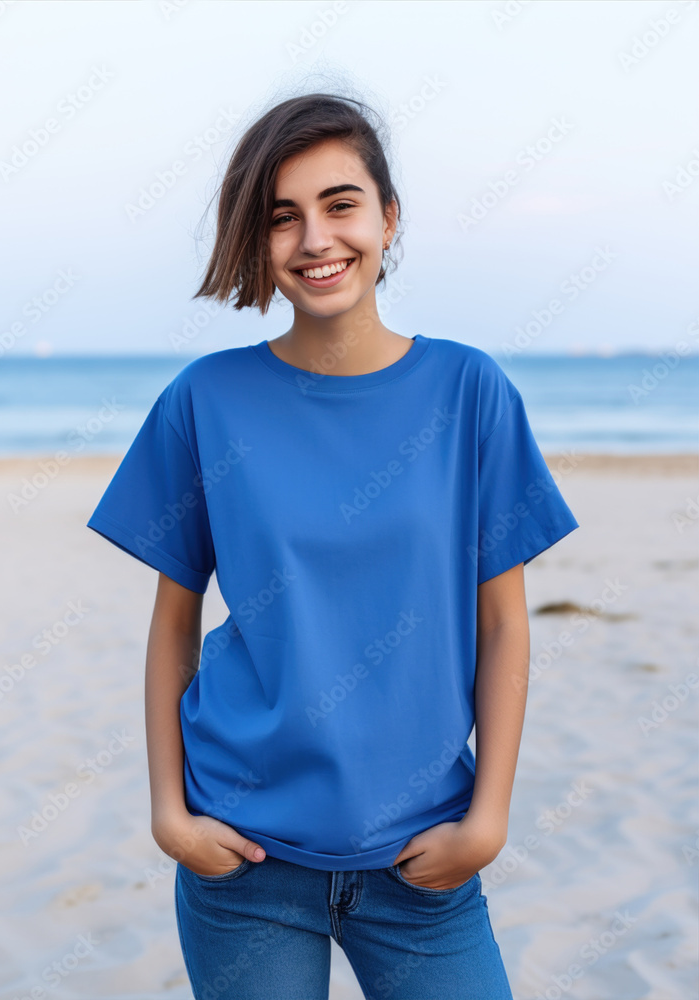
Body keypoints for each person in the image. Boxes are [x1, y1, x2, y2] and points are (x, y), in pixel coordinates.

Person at [86, 90, 579, 999]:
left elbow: (504, 624)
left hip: (424, 859)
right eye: (283, 217)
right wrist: (168, 815)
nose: (315, 239)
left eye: (340, 204)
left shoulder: (470, 392)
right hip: (243, 859)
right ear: (256, 240)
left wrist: (488, 820)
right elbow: (172, 625)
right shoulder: (205, 401)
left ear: (388, 218)